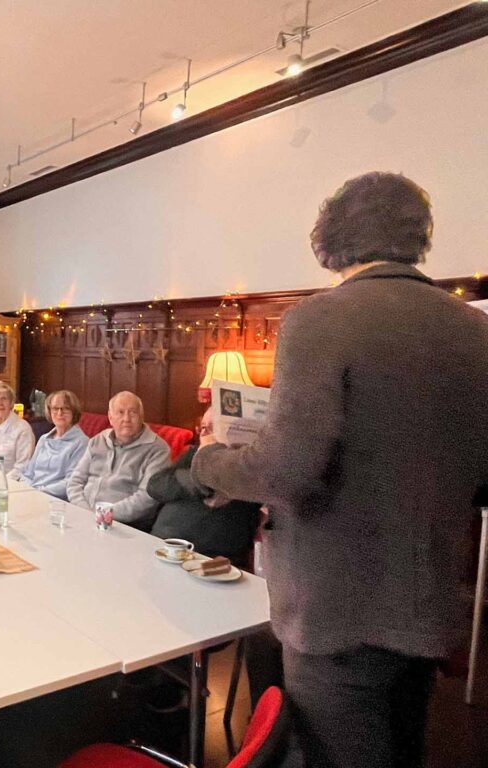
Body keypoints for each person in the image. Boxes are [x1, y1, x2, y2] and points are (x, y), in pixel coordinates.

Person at [191, 172, 488, 768]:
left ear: (330, 238)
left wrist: (209, 462)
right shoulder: (476, 331)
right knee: (404, 748)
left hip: (337, 606)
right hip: (428, 600)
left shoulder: (321, 318)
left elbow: (284, 473)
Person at [66, 391, 170, 529]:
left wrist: (101, 514)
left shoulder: (158, 449)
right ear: (110, 417)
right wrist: (83, 510)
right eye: (120, 412)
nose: (126, 418)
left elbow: (147, 498)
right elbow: (75, 481)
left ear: (141, 416)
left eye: (132, 412)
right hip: (83, 515)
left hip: (124, 525)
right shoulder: (98, 440)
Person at [147, 443, 260, 565]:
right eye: (203, 428)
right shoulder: (200, 452)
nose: (204, 433)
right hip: (163, 542)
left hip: (213, 556)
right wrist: (200, 485)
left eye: (210, 427)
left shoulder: (254, 462)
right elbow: (155, 486)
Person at [20, 389, 89, 499]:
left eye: (66, 409)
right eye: (55, 408)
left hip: (57, 500)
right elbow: (28, 473)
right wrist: (26, 490)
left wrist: (38, 492)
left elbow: (71, 482)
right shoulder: (44, 439)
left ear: (74, 412)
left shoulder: (82, 442)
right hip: (32, 494)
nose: (59, 413)